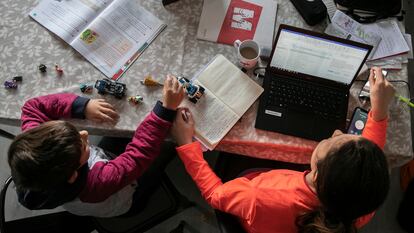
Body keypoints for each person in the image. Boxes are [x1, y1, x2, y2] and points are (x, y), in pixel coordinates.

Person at [171, 67, 395, 233]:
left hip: (254, 203)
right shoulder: (358, 206)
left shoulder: (258, 197)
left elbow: (215, 195)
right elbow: (368, 155)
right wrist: (379, 111)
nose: (337, 132)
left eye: (331, 141)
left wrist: (186, 144)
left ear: (318, 174)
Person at [8, 75, 184, 217]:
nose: (85, 134)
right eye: (82, 145)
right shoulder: (99, 182)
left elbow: (32, 107)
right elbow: (138, 155)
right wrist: (166, 110)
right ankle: (141, 202)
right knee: (165, 149)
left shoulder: (34, 141)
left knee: (125, 139)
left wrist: (82, 106)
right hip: (125, 198)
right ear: (73, 175)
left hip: (93, 176)